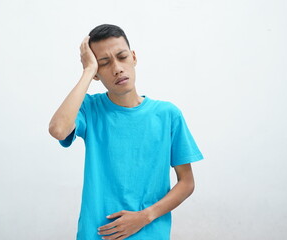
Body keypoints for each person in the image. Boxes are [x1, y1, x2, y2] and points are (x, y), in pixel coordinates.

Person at [48, 23, 204, 240]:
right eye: (104, 63)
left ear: (134, 57)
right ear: (96, 73)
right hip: (96, 234)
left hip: (149, 233)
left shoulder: (168, 114)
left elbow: (187, 183)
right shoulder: (90, 109)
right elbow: (58, 129)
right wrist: (87, 71)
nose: (117, 68)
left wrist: (144, 216)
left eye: (122, 57)